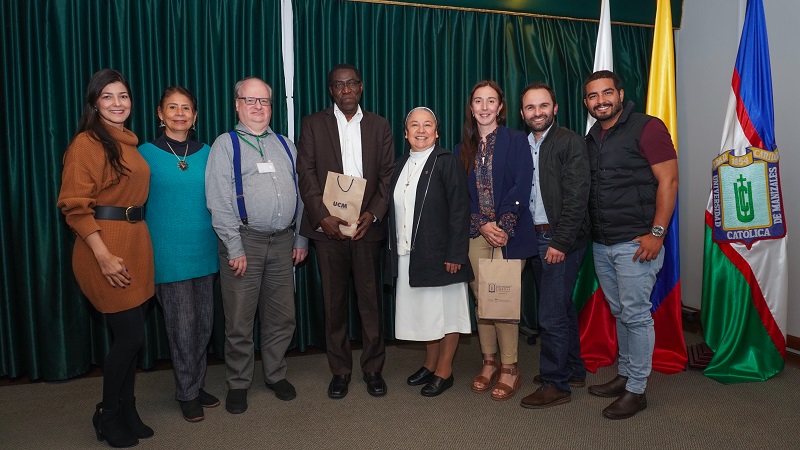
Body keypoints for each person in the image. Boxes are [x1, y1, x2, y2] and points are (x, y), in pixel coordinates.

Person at [57, 69, 154, 448]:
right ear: (94, 102)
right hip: (105, 247)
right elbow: (75, 207)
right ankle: (107, 413)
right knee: (130, 336)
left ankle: (127, 407)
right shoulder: (87, 143)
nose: (118, 103)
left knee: (132, 337)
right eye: (108, 96)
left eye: (124, 96)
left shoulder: (129, 142)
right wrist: (103, 256)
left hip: (135, 243)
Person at [205, 77, 308, 414]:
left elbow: (303, 194)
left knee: (282, 317)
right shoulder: (225, 144)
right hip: (243, 243)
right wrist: (233, 247)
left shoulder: (286, 144)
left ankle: (275, 374)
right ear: (237, 104)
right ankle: (238, 383)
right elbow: (219, 201)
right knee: (239, 320)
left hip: (283, 243)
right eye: (250, 100)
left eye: (264, 101)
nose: (258, 106)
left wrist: (301, 237)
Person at [582, 70, 678, 419]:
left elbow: (669, 180)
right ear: (586, 103)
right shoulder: (592, 138)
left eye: (607, 93)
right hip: (602, 243)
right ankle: (625, 374)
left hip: (637, 243)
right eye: (593, 96)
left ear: (620, 94)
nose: (601, 101)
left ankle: (637, 390)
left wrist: (657, 233)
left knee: (636, 315)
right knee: (622, 311)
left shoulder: (647, 127)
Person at [296, 63, 395, 399]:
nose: (346, 90)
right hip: (328, 231)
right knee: (333, 303)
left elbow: (387, 176)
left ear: (361, 87)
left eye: (352, 83)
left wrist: (374, 214)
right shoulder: (312, 124)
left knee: (370, 304)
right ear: (331, 91)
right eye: (339, 85)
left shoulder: (380, 125)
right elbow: (306, 174)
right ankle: (339, 370)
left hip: (367, 228)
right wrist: (321, 216)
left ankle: (372, 369)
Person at [139, 86, 220, 422]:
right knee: (181, 325)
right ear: (160, 114)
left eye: (186, 107)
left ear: (195, 116)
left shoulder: (209, 151)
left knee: (203, 324)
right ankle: (186, 391)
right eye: (172, 107)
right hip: (167, 253)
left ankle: (195, 383)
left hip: (205, 249)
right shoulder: (144, 153)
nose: (179, 113)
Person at [454, 80, 536, 401]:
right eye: (478, 101)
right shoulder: (465, 147)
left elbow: (522, 183)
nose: (485, 107)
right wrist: (483, 224)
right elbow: (461, 196)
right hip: (476, 232)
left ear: (501, 107)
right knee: (483, 300)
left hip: (510, 234)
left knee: (502, 300)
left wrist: (501, 225)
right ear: (471, 108)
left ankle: (510, 367)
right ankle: (488, 362)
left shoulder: (516, 140)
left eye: (491, 101)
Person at [387, 107, 473, 397]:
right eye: (414, 125)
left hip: (442, 255)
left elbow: (461, 210)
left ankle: (445, 370)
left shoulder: (446, 161)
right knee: (426, 314)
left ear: (437, 132)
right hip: (408, 254)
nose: (420, 130)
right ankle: (430, 363)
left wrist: (456, 254)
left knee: (446, 314)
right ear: (406, 132)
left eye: (427, 125)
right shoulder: (400, 164)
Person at [516, 82, 590, 409]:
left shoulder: (569, 142)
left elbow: (577, 198)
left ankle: (555, 383)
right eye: (530, 107)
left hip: (559, 239)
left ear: (555, 108)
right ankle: (572, 369)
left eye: (543, 105)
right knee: (561, 308)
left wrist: (560, 241)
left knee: (550, 314)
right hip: (533, 237)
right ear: (522, 113)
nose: (537, 112)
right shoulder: (522, 144)